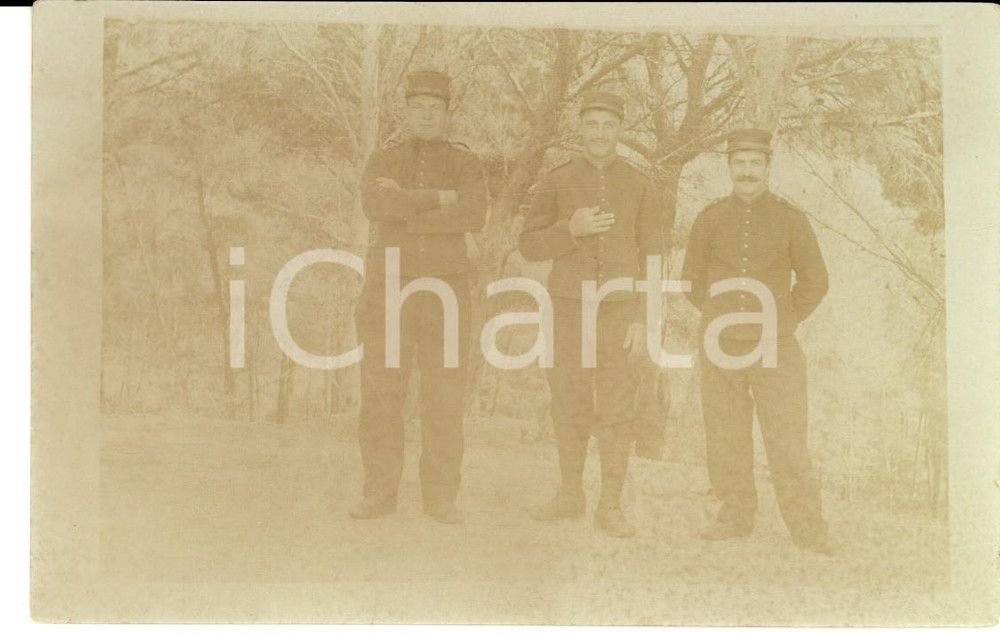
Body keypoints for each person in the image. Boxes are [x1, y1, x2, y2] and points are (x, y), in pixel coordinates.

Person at [681, 128, 837, 555]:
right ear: (729, 168)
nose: (747, 172)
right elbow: (691, 282)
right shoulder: (710, 218)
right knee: (726, 434)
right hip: (721, 344)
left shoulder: (791, 219)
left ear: (767, 168)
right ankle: (734, 516)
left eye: (755, 164)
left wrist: (781, 319)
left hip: (776, 347)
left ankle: (808, 528)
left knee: (787, 438)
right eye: (739, 164)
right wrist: (721, 319)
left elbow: (815, 280)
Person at [518, 91, 666, 538]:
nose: (600, 133)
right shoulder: (557, 180)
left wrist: (645, 319)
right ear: (579, 128)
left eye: (609, 124)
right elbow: (528, 244)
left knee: (618, 408)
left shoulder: (642, 186)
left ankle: (610, 506)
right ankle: (569, 495)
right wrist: (570, 230)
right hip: (567, 310)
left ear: (621, 130)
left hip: (621, 314)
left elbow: (655, 257)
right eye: (592, 123)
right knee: (569, 400)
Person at [350, 70, 487, 525]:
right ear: (405, 112)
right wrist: (439, 200)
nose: (427, 116)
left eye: (437, 109)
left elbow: (474, 213)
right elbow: (374, 206)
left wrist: (408, 206)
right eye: (419, 108)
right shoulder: (384, 158)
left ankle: (442, 497)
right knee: (382, 391)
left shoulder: (466, 164)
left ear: (447, 114)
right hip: (389, 285)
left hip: (446, 288)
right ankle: (378, 493)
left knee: (444, 394)